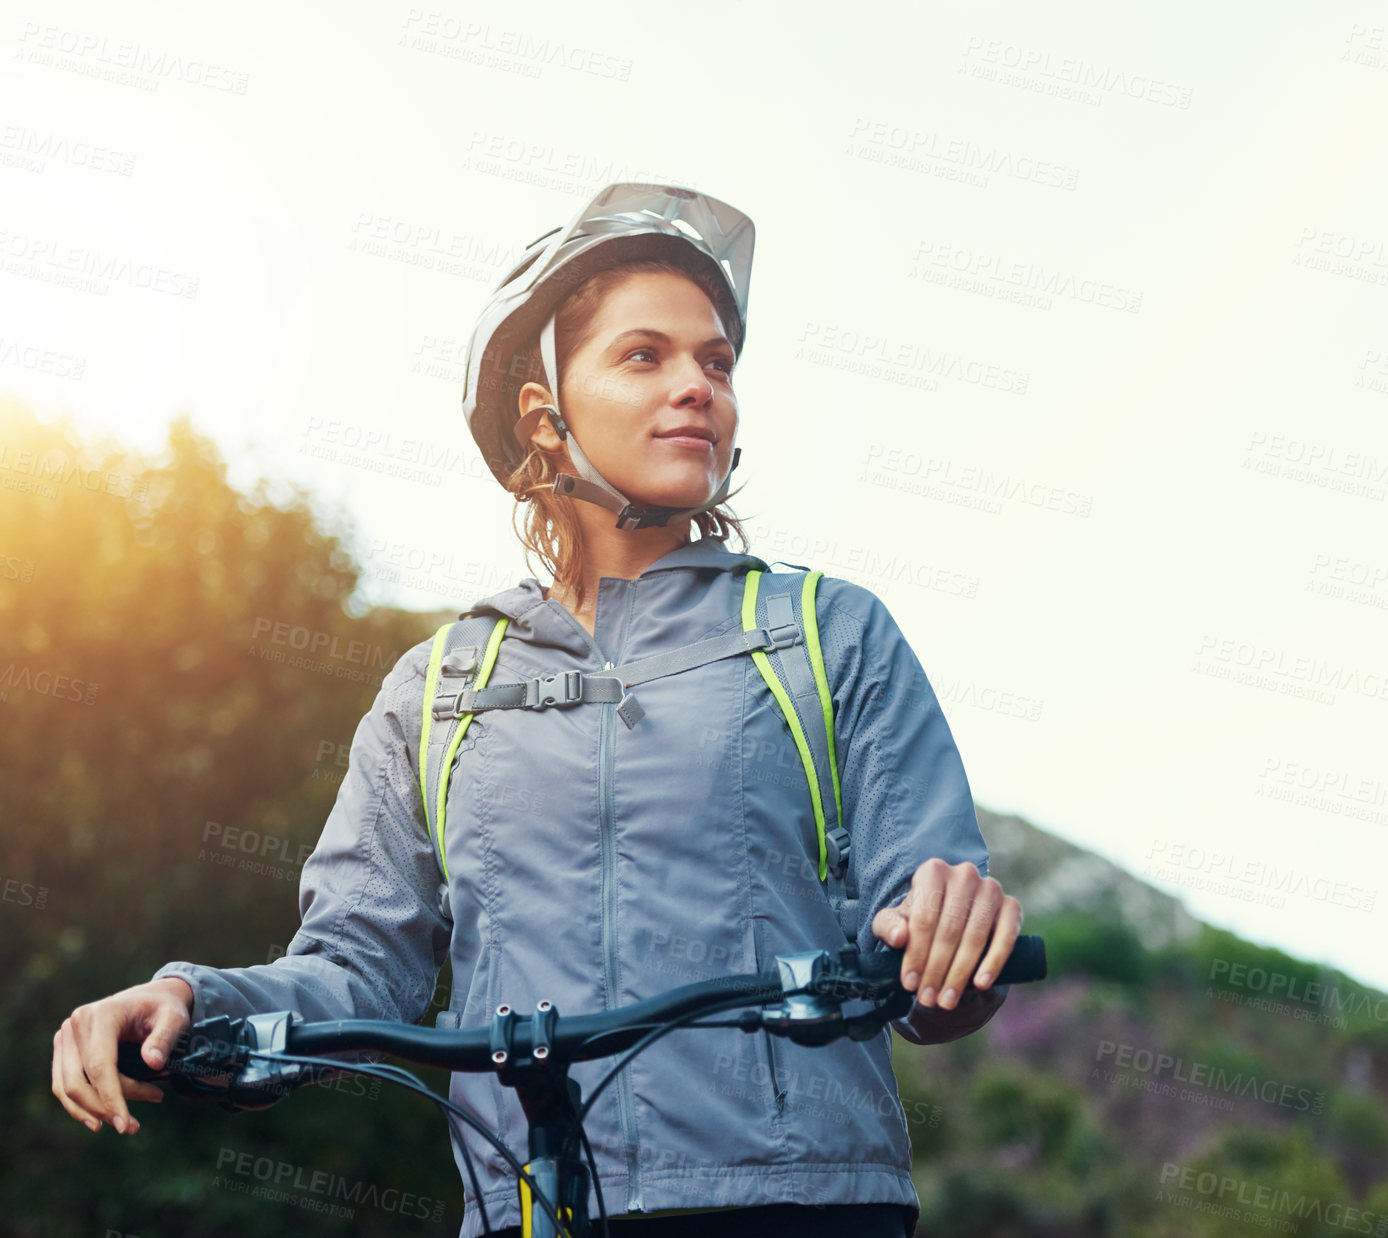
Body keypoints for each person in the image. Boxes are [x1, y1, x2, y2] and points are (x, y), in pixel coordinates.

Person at [50, 182, 1022, 1238]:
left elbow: (927, 930)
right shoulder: (437, 689)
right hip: (529, 1208)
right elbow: (353, 965)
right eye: (644, 355)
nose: (698, 385)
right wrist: (193, 998)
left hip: (800, 1204)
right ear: (541, 412)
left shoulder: (825, 633)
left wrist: (947, 943)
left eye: (716, 362)